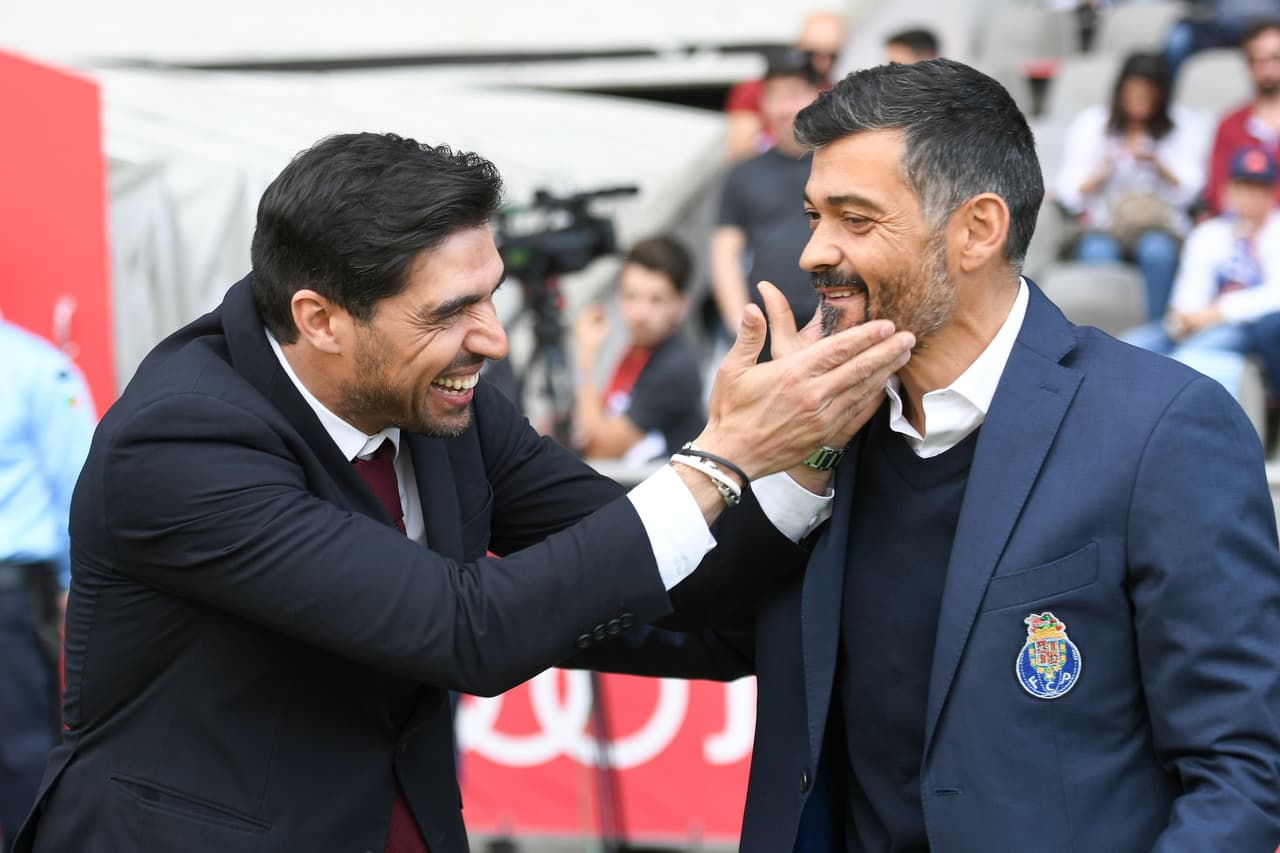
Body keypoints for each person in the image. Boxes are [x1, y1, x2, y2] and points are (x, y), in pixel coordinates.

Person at [12, 132, 915, 853]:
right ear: (319, 318)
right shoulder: (180, 441)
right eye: (449, 312)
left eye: (490, 295)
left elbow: (664, 570)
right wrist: (722, 455)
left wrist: (807, 457)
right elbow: (464, 630)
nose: (491, 339)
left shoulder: (443, 403)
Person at [581, 58, 1280, 851]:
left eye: (854, 217)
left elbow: (1240, 777)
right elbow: (688, 622)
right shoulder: (817, 437)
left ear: (977, 229)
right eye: (814, 215)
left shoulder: (1163, 429)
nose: (814, 251)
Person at [0, 316, 95, 852]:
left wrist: (73, 582)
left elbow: (80, 483)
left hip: (9, 601)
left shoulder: (35, 370)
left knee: (22, 760)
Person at [1054, 52, 1206, 321]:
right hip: (1105, 225)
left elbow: (1193, 191)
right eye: (1132, 94)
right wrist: (1103, 170)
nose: (1138, 102)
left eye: (1147, 95)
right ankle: (1103, 334)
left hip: (1159, 225)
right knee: (1098, 252)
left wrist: (1159, 165)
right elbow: (1069, 192)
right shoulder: (1093, 124)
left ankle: (1154, 332)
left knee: (1157, 252)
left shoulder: (1182, 125)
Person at [1123, 146, 1280, 399]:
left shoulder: (1275, 231)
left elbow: (1275, 295)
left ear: (1271, 192)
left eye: (1259, 188)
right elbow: (1189, 290)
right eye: (1244, 186)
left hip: (1242, 326)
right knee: (1129, 347)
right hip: (1197, 321)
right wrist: (1183, 319)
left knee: (1190, 358)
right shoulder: (1210, 233)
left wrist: (1218, 312)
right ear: (1230, 190)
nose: (1251, 196)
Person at [712, 48, 822, 355]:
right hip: (767, 331)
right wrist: (741, 327)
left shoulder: (838, 163)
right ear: (763, 103)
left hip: (835, 323)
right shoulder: (743, 173)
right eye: (775, 96)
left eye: (795, 93)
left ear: (816, 95)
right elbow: (725, 255)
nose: (786, 107)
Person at [571, 235, 704, 465]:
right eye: (631, 296)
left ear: (681, 305)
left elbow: (600, 450)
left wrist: (585, 361)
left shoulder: (674, 366)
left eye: (656, 300)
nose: (640, 313)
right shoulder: (637, 349)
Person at [723, 9, 846, 162]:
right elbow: (740, 152)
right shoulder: (753, 90)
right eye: (814, 54)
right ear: (798, 46)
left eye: (832, 56)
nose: (823, 63)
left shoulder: (836, 93)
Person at [1204, 18, 1280, 216]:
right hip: (1239, 227)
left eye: (1276, 58)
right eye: (1259, 61)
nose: (1268, 69)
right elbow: (1216, 192)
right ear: (1248, 66)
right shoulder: (1229, 125)